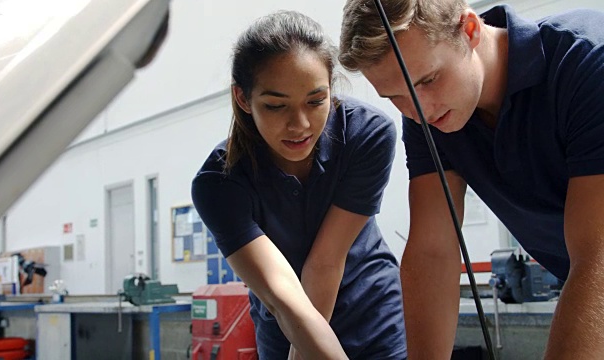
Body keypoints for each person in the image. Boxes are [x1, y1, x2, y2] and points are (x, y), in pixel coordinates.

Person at [339, 0, 604, 358]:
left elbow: (597, 256)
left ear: (470, 30)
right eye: (396, 97)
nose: (420, 111)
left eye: (429, 80)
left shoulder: (587, 61)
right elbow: (433, 251)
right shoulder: (427, 117)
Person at [191, 10, 407, 360]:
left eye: (316, 101)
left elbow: (325, 262)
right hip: (283, 328)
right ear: (243, 99)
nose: (300, 124)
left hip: (375, 323)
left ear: (331, 89)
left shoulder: (367, 135)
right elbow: (280, 295)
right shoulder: (219, 182)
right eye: (276, 106)